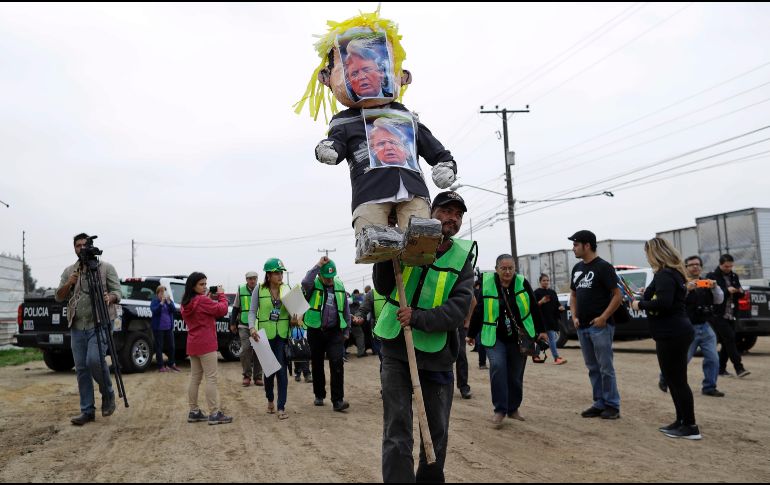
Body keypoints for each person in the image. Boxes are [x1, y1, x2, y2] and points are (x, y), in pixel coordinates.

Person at [373, 191, 476, 483]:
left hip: (437, 355)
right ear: (430, 212)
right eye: (446, 211)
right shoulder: (408, 242)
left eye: (458, 214)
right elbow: (383, 286)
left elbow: (458, 310)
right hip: (396, 349)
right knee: (397, 428)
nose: (452, 218)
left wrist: (417, 317)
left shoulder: (462, 259)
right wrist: (390, 243)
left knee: (436, 431)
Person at [631, 238, 701, 440]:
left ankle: (690, 426)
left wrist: (639, 305)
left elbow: (664, 303)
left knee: (678, 381)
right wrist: (645, 295)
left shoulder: (665, 274)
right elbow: (659, 296)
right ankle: (681, 421)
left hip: (673, 333)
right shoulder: (671, 273)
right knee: (673, 379)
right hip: (674, 331)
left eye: (647, 253)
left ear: (655, 253)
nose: (646, 257)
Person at [468, 255, 547, 428]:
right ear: (496, 269)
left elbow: (534, 306)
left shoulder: (522, 282)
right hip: (494, 337)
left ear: (515, 268)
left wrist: (542, 331)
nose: (507, 272)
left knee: (515, 374)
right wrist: (471, 333)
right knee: (497, 366)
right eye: (503, 268)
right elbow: (479, 310)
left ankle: (513, 408)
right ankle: (500, 410)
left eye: (510, 268)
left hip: (519, 338)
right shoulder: (488, 283)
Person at [55, 233, 121, 426]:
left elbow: (118, 292)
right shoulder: (70, 271)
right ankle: (87, 411)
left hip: (99, 323)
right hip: (77, 325)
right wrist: (69, 283)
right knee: (82, 369)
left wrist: (110, 298)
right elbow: (58, 297)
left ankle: (107, 393)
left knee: (94, 360)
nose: (81, 248)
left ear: (90, 245)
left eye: (85, 244)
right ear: (74, 248)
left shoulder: (105, 268)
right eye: (78, 245)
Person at [569, 230, 622, 420]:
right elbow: (573, 295)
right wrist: (574, 316)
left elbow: (618, 295)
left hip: (600, 327)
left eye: (576, 244)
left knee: (605, 367)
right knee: (593, 367)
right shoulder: (577, 268)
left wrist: (603, 317)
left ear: (587, 245)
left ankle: (612, 405)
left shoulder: (603, 267)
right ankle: (599, 403)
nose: (573, 248)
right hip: (582, 326)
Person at [658, 255, 725, 397]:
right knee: (682, 359)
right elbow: (673, 302)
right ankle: (665, 377)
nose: (695, 267)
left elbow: (719, 300)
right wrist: (686, 289)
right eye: (692, 265)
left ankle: (709, 387)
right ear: (685, 267)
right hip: (688, 328)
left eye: (698, 264)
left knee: (713, 358)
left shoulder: (706, 283)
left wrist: (715, 287)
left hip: (705, 326)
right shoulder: (680, 283)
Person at [180, 272, 232, 425]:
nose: (204, 287)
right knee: (211, 378)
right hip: (206, 343)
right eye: (201, 284)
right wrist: (221, 295)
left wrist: (207, 298)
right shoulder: (202, 300)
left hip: (193, 343)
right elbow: (222, 310)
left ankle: (194, 411)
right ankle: (214, 413)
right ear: (193, 286)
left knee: (195, 379)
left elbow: (200, 310)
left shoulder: (186, 302)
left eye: (205, 284)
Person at [302, 257, 351, 412]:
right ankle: (319, 395)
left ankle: (338, 400)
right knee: (317, 364)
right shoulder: (313, 284)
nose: (330, 280)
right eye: (327, 277)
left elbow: (346, 309)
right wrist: (318, 265)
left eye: (332, 277)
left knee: (337, 364)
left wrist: (347, 330)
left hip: (334, 331)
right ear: (320, 275)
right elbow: (305, 282)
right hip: (315, 330)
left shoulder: (339, 285)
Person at [249, 258, 293, 420]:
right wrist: (252, 327)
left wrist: (296, 319)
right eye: (276, 273)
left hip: (282, 335)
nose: (280, 276)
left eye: (281, 273)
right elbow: (252, 311)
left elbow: (295, 311)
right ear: (268, 275)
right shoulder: (259, 289)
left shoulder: (287, 289)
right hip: (264, 336)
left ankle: (281, 407)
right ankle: (270, 399)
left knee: (281, 371)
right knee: (269, 372)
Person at [706, 254, 751, 378]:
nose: (729, 269)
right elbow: (711, 294)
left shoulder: (734, 276)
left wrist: (740, 292)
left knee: (727, 342)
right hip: (717, 314)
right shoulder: (712, 276)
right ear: (720, 264)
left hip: (731, 314)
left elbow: (739, 293)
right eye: (726, 266)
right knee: (730, 338)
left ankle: (721, 369)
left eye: (731, 266)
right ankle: (739, 368)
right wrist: (727, 291)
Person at [230, 271, 263, 387]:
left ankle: (258, 377)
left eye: (254, 278)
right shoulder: (241, 290)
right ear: (246, 280)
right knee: (245, 349)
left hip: (258, 325)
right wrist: (232, 323)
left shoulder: (262, 289)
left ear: (257, 279)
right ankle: (246, 376)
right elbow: (235, 308)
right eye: (250, 279)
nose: (252, 281)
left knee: (259, 350)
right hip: (244, 324)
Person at [533, 274, 567, 365]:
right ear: (540, 282)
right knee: (548, 339)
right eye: (544, 280)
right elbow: (533, 306)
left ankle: (536, 356)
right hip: (541, 320)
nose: (546, 282)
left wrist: (560, 308)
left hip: (551, 320)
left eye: (547, 280)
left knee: (545, 338)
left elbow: (556, 304)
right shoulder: (536, 292)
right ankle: (556, 358)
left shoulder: (552, 292)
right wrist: (541, 301)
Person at [150, 285, 180, 373]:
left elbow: (174, 310)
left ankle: (171, 364)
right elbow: (154, 311)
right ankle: (160, 366)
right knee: (159, 347)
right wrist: (161, 303)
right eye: (161, 292)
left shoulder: (168, 301)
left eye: (164, 292)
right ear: (157, 294)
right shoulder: (155, 301)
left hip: (168, 327)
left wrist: (169, 302)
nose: (163, 294)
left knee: (171, 346)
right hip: (158, 328)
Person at [349, 289, 368, 357]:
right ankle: (361, 353)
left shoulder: (349, 300)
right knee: (360, 336)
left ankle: (343, 353)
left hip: (348, 323)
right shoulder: (358, 301)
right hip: (355, 323)